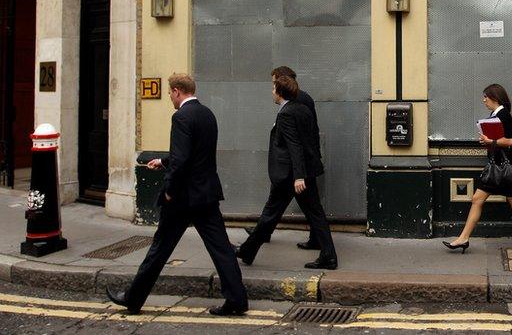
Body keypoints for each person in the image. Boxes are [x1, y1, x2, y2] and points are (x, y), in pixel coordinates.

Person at [106, 74, 248, 316]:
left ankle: (133, 299)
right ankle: (237, 300)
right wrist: (162, 161)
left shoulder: (181, 117)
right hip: (206, 195)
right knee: (222, 249)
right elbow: (194, 154)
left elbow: (182, 160)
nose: (170, 97)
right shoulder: (207, 114)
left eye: (171, 93)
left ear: (178, 91)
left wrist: (170, 191)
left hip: (183, 198)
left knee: (159, 250)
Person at [235, 75, 338, 269]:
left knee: (270, 214)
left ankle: (247, 251)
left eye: (274, 89)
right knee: (314, 214)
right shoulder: (303, 109)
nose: (272, 92)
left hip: (291, 175)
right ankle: (328, 256)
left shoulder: (286, 114)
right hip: (304, 171)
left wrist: (298, 176)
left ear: (280, 92)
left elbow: (295, 146)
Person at [442, 84, 512, 257]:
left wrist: (491, 142)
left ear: (495, 97)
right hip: (495, 168)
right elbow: (497, 139)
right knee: (477, 199)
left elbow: (511, 142)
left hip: (504, 170)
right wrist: (487, 141)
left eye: (485, 97)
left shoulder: (504, 115)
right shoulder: (495, 115)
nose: (484, 100)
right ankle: (463, 238)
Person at [245, 66, 321, 250]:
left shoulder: (297, 101)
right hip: (296, 164)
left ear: (283, 82)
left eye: (274, 83)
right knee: (296, 206)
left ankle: (257, 238)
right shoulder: (300, 99)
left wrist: (299, 172)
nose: (273, 88)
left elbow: (299, 139)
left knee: (281, 205)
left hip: (294, 165)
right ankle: (259, 237)